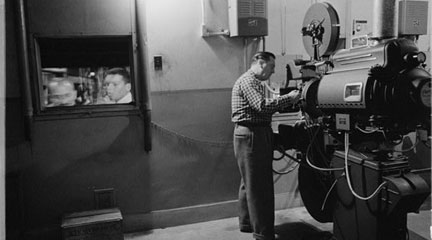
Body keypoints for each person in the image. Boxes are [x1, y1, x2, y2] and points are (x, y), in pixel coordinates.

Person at [231, 51, 301, 240]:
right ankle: (263, 233)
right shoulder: (248, 81)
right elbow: (261, 106)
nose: (273, 71)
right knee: (259, 186)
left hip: (253, 133)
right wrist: (290, 98)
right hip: (252, 134)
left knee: (249, 183)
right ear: (261, 63)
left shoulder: (254, 82)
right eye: (271, 66)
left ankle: (247, 224)